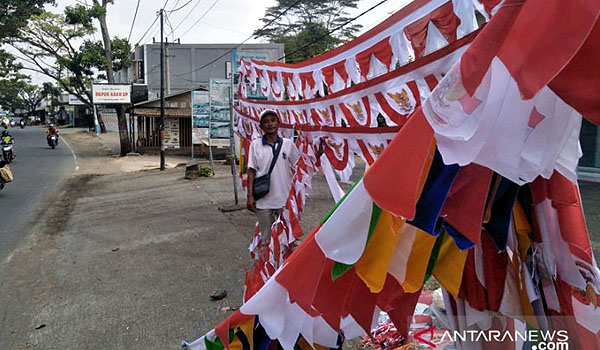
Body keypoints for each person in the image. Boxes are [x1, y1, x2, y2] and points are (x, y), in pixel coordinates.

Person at [246, 110, 324, 252]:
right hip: (263, 202)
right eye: (266, 122)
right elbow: (251, 171)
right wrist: (250, 196)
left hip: (285, 201)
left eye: (273, 120)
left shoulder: (288, 144)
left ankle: (286, 271)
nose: (270, 124)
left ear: (278, 123)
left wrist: (317, 155)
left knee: (289, 239)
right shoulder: (255, 145)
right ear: (261, 127)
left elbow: (300, 166)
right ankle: (268, 272)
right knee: (266, 241)